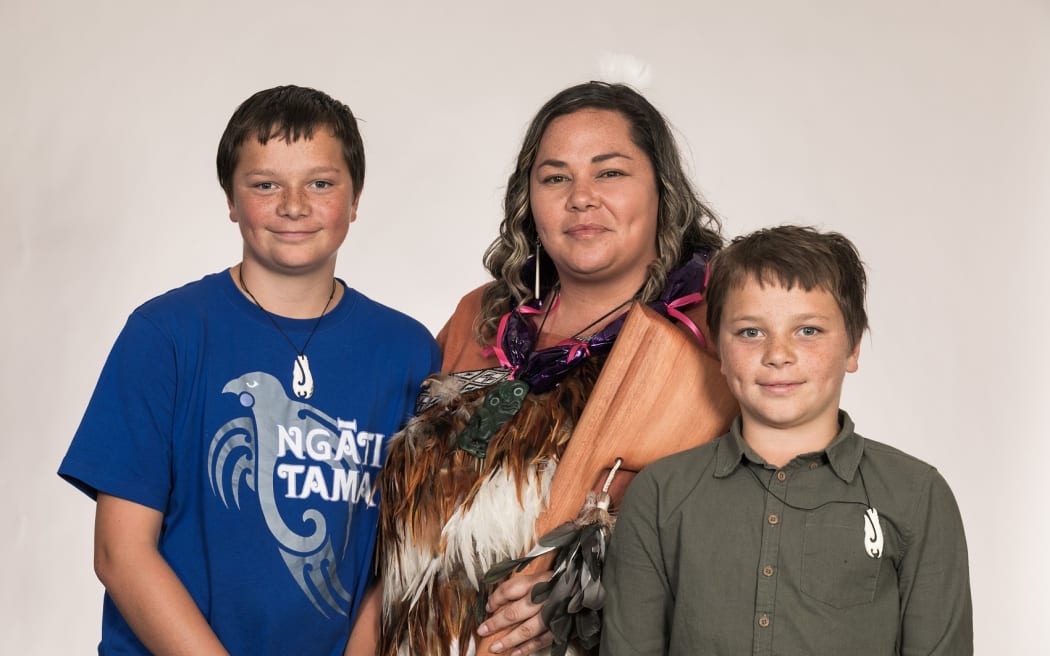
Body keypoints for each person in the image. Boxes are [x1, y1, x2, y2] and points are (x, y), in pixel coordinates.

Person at [58, 85, 440, 656]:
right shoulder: (165, 334)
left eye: (320, 183)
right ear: (232, 201)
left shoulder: (409, 352)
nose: (293, 205)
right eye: (265, 185)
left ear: (355, 200)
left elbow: (404, 555)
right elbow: (121, 553)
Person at [377, 82, 738, 656]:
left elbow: (762, 515)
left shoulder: (718, 326)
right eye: (555, 177)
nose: (581, 198)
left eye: (610, 173)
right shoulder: (480, 315)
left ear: (662, 190)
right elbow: (397, 548)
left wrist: (589, 587)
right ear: (530, 199)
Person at [601, 225, 973, 655]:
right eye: (751, 332)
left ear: (852, 348)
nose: (778, 354)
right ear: (719, 349)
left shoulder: (916, 494)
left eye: (808, 330)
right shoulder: (661, 492)